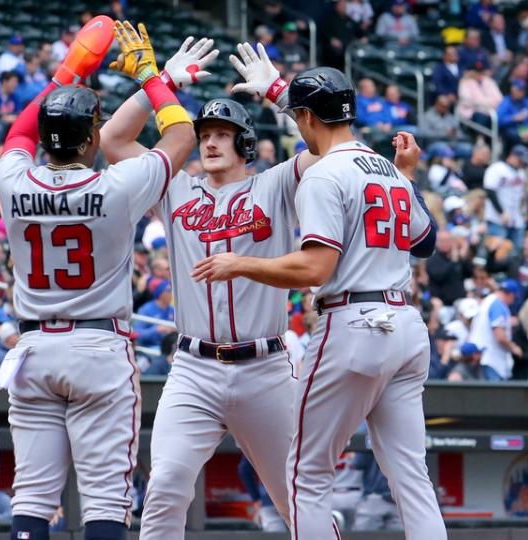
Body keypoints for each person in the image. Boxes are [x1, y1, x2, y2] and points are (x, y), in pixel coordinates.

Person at [190, 60, 445, 539]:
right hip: (405, 328)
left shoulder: (323, 176)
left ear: (306, 117)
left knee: (306, 475)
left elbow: (314, 269)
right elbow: (425, 242)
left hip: (352, 325)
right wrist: (408, 178)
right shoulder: (387, 169)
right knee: (411, 477)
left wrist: (239, 263)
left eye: (298, 114)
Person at [100, 38, 328, 538]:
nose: (209, 141)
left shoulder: (275, 184)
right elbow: (113, 140)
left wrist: (280, 92)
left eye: (223, 133)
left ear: (245, 143)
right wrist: (162, 85)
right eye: (204, 132)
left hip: (265, 368)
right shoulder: (175, 185)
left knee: (300, 494)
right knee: (164, 487)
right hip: (194, 368)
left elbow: (330, 148)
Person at [0, 19, 196, 540]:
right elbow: (181, 135)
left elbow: (19, 131)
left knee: (33, 495)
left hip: (35, 346)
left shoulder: (12, 179)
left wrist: (66, 74)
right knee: (106, 497)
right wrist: (155, 77)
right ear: (91, 139)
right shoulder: (117, 185)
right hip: (98, 346)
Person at [469, 278, 522, 381]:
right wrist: (513, 347)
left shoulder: (489, 301)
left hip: (482, 355)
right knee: (495, 396)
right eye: (514, 298)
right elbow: (499, 335)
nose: (513, 301)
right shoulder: (498, 305)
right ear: (511, 295)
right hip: (491, 359)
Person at [483, 145, 528, 252]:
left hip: (516, 219)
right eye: (519, 160)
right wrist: (502, 212)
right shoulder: (497, 168)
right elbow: (490, 191)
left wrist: (523, 211)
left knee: (515, 253)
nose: (521, 163)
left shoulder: (521, 173)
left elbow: (521, 195)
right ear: (512, 156)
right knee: (498, 253)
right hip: (497, 219)